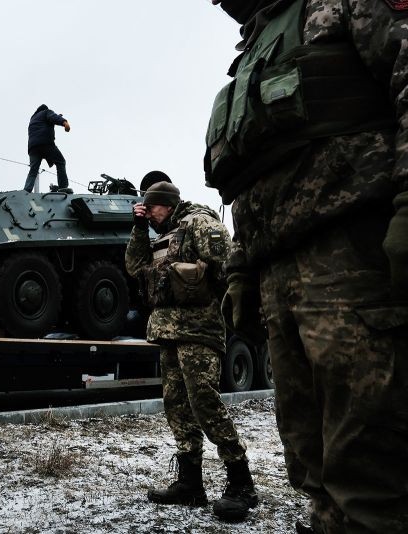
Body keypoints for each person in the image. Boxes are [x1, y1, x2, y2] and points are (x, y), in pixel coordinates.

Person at [208, 1, 408, 532]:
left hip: (351, 252)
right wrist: (240, 270)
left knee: (370, 455)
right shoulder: (255, 45)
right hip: (279, 270)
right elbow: (255, 172)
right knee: (306, 448)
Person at [125, 181, 257, 521]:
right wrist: (139, 228)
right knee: (178, 408)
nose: (148, 212)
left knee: (205, 403)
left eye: (151, 207)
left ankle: (241, 483)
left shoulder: (200, 223)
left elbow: (228, 265)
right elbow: (135, 266)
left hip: (199, 331)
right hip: (168, 332)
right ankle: (190, 484)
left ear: (167, 204)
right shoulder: (161, 234)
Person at [23, 104, 71, 193]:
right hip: (45, 143)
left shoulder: (32, 119)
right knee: (61, 162)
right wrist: (64, 122)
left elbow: (45, 123)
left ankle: (26, 190)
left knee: (33, 170)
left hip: (33, 148)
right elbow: (53, 117)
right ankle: (63, 187)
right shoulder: (46, 112)